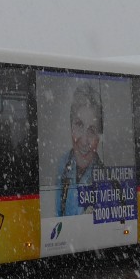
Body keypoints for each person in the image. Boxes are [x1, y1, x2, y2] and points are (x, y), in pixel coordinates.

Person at [56, 82, 105, 217]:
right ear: (71, 127)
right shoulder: (60, 166)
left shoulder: (106, 179)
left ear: (99, 137)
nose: (84, 141)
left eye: (92, 130)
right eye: (79, 125)